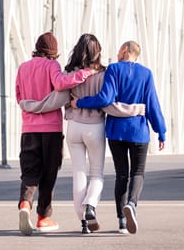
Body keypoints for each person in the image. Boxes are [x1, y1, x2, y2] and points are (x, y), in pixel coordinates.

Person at [19, 34, 145, 234]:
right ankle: (90, 208)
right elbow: (107, 102)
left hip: (73, 128)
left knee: (78, 174)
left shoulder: (68, 73)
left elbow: (57, 96)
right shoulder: (104, 74)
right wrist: (136, 109)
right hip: (94, 127)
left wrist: (29, 105)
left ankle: (83, 222)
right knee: (96, 174)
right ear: (98, 52)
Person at [71, 40, 166, 235]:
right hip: (139, 131)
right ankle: (131, 203)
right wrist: (161, 131)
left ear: (124, 50)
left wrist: (80, 102)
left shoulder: (113, 70)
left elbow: (105, 98)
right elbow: (153, 104)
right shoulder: (146, 74)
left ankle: (122, 222)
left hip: (116, 131)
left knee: (122, 174)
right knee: (138, 173)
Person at [15, 31, 96, 236]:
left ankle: (25, 204)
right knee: (49, 173)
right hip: (50, 129)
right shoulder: (52, 66)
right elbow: (61, 83)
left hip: (29, 130)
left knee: (30, 171)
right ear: (54, 52)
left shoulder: (23, 68)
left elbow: (18, 95)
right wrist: (86, 73)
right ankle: (44, 217)